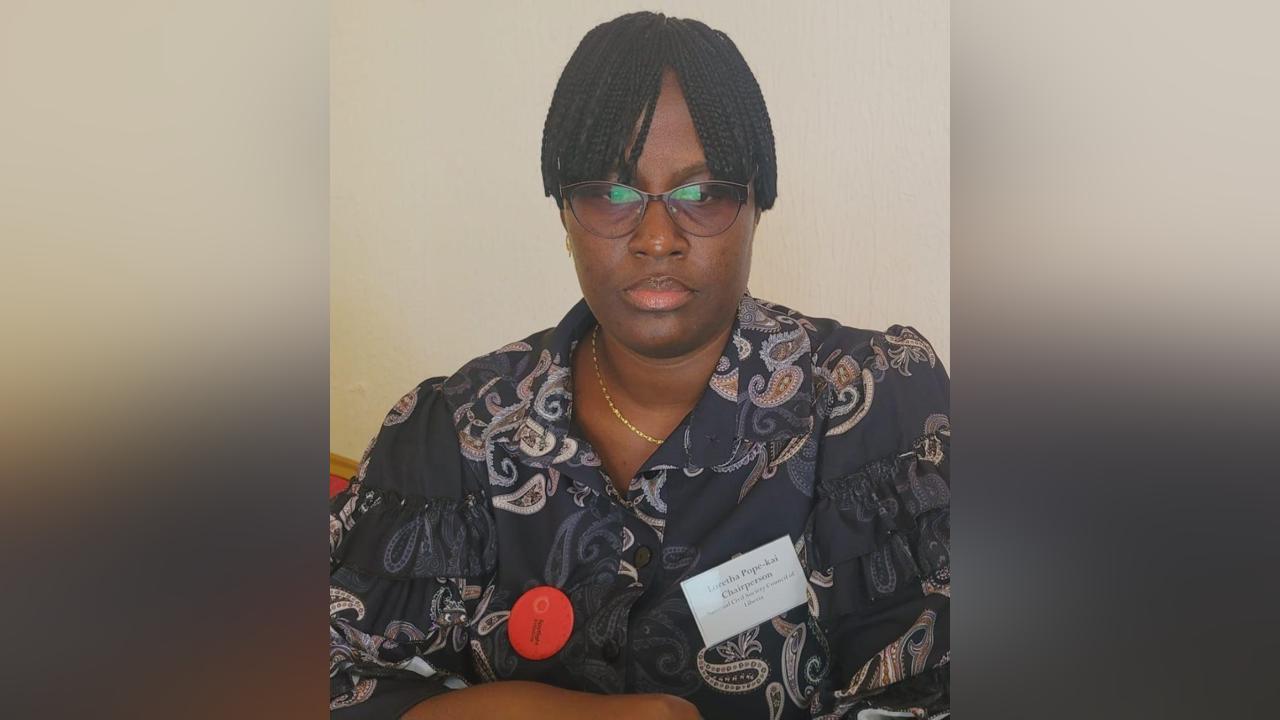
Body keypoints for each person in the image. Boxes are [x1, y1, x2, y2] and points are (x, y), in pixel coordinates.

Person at [330, 12, 949, 719]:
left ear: (757, 205)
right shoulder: (456, 431)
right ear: (565, 214)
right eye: (612, 193)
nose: (657, 238)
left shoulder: (870, 404)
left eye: (703, 193)